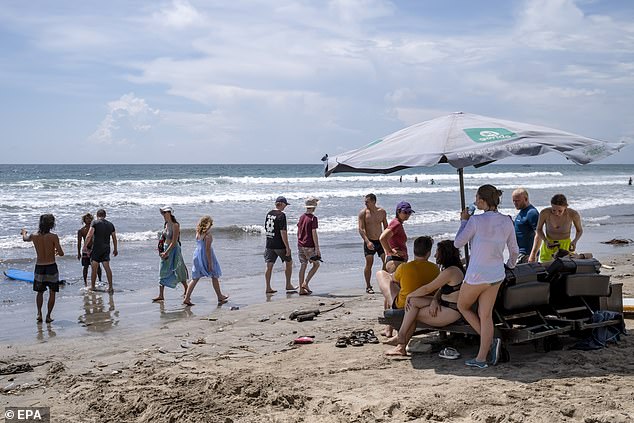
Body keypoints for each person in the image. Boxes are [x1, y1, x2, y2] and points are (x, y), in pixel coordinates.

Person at [455, 185, 518, 368]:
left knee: (463, 306)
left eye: (476, 198)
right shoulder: (507, 220)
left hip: (476, 274)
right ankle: (482, 357)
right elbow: (514, 250)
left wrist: (464, 221)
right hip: (496, 273)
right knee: (486, 315)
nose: (475, 201)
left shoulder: (475, 221)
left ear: (482, 201)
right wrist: (510, 266)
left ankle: (489, 344)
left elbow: (458, 242)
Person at [385, 240, 465, 356]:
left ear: (444, 254)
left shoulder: (450, 271)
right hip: (445, 303)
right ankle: (401, 340)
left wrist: (410, 295)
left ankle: (401, 341)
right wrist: (434, 300)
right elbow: (441, 289)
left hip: (451, 311)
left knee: (411, 313)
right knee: (412, 305)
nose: (435, 255)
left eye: (437, 252)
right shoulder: (451, 269)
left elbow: (427, 289)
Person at [376, 236, 439, 338]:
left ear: (413, 251)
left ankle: (389, 328)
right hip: (424, 302)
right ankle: (388, 328)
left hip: (404, 304)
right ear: (428, 253)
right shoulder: (435, 268)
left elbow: (394, 281)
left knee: (381, 274)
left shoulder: (404, 267)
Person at [22, 214, 64, 323]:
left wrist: (24, 232)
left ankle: (39, 313)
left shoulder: (34, 236)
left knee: (39, 292)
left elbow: (25, 239)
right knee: (52, 292)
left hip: (39, 267)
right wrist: (55, 251)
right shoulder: (53, 236)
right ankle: (48, 316)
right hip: (51, 267)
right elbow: (61, 253)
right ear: (52, 224)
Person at [183, 215, 228, 306]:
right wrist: (210, 263)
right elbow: (207, 250)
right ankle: (220, 296)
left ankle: (187, 298)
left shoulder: (198, 233)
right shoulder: (208, 236)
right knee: (214, 275)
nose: (211, 226)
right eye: (211, 224)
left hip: (197, 256)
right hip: (205, 256)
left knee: (195, 278)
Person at [528, 194, 583, 263]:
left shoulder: (573, 214)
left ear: (565, 207)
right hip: (549, 244)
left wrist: (575, 241)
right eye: (553, 210)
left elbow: (579, 230)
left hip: (565, 246)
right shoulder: (544, 213)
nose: (556, 213)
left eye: (560, 211)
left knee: (564, 268)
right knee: (545, 269)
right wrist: (545, 240)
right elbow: (539, 229)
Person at [153, 206, 188, 302]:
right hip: (165, 249)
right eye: (162, 213)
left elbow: (174, 241)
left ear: (169, 213)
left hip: (174, 250)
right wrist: (160, 249)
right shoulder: (166, 224)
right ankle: (161, 295)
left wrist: (166, 252)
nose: (163, 215)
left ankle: (186, 290)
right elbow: (164, 238)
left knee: (178, 269)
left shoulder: (175, 225)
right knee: (162, 271)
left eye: (164, 213)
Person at [264, 196, 296, 294]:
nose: (285, 207)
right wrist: (287, 247)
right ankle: (288, 284)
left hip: (269, 243)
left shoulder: (269, 213)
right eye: (285, 205)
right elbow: (283, 232)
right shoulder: (281, 215)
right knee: (288, 262)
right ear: (282, 204)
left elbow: (266, 228)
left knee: (269, 265)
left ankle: (268, 287)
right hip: (279, 244)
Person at [358, 193, 388, 294]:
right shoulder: (363, 213)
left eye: (367, 202)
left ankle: (384, 282)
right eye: (365, 201)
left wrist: (387, 240)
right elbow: (361, 229)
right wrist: (367, 242)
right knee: (369, 263)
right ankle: (368, 286)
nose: (365, 203)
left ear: (374, 201)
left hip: (380, 241)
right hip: (369, 241)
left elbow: (386, 227)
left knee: (386, 262)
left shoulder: (382, 212)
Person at [84, 209, 117, 292]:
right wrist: (115, 249)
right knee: (107, 268)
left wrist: (84, 246)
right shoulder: (110, 224)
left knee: (94, 268)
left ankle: (93, 286)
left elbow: (89, 235)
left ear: (97, 215)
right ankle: (110, 287)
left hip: (96, 248)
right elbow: (114, 238)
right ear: (105, 215)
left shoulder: (95, 223)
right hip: (106, 248)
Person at [379, 201, 414, 274]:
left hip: (396, 260)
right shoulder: (396, 224)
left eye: (409, 212)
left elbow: (387, 240)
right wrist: (390, 251)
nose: (407, 214)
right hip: (395, 261)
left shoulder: (398, 223)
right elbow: (382, 238)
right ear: (398, 211)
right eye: (405, 212)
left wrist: (388, 251)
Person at [297, 197, 321, 295]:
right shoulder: (313, 218)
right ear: (314, 207)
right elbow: (314, 233)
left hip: (300, 244)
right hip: (309, 245)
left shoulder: (302, 217)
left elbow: (298, 230)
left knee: (303, 265)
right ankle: (305, 283)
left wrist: (299, 240)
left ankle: (301, 289)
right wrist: (317, 248)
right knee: (316, 264)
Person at [512, 188, 539, 264]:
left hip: (527, 254)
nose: (515, 203)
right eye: (513, 201)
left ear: (526, 199)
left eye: (517, 201)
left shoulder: (532, 213)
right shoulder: (522, 212)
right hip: (519, 253)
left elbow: (539, 234)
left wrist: (533, 254)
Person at [77, 213, 102, 286]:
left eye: (90, 218)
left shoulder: (94, 229)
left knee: (97, 266)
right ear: (84, 220)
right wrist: (78, 253)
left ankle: (100, 280)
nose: (88, 220)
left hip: (94, 249)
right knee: (85, 266)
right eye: (87, 219)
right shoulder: (81, 230)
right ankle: (85, 282)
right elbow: (79, 242)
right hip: (85, 249)